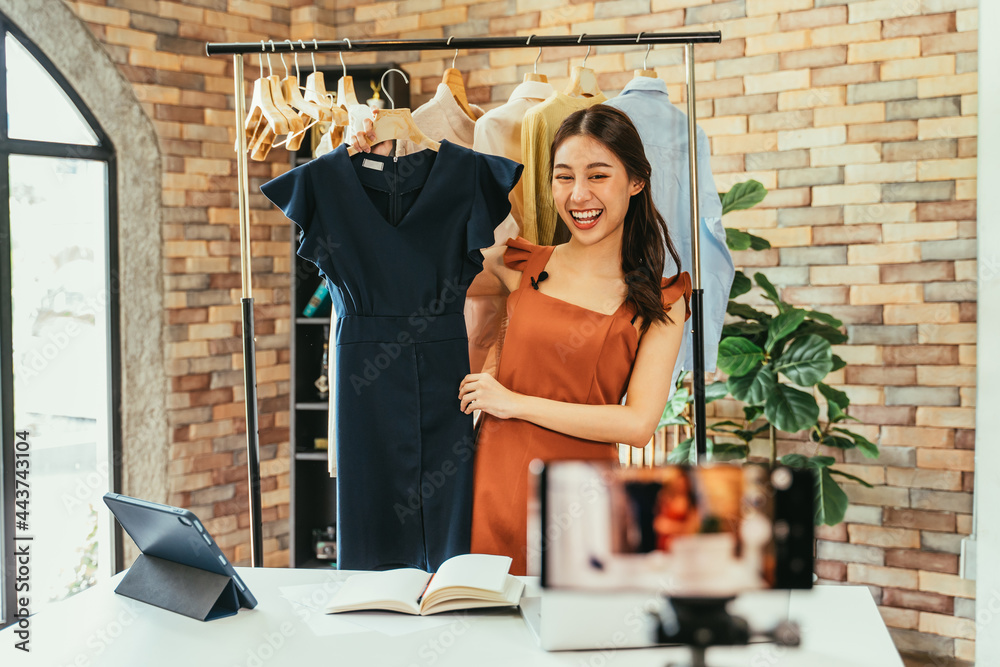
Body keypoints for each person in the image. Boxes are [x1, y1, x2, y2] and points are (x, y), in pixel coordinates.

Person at [350, 105, 691, 575]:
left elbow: (637, 424)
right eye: (564, 177)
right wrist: (382, 162)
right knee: (482, 627)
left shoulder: (662, 300)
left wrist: (513, 403)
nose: (578, 195)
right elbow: (409, 265)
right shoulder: (522, 264)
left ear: (636, 181)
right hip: (490, 483)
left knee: (568, 635)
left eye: (598, 176)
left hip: (580, 498)